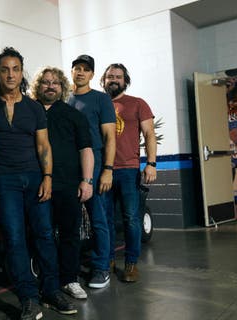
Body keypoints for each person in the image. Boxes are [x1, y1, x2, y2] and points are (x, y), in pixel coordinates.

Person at [0, 47, 71, 318]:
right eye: (5, 69)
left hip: (34, 177)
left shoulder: (33, 107)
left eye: (15, 69)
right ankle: (28, 297)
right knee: (14, 238)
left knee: (44, 234)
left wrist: (47, 177)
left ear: (22, 73)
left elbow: (44, 146)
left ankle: (51, 290)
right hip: (3, 179)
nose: (10, 74)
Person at [32, 66, 94, 301]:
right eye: (46, 82)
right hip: (36, 184)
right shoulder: (29, 111)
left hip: (68, 185)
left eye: (55, 83)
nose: (50, 86)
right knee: (41, 234)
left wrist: (86, 181)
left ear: (62, 87)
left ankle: (69, 280)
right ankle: (46, 280)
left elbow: (86, 149)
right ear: (39, 85)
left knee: (69, 234)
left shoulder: (73, 114)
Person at [101, 63, 156, 282]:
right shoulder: (99, 102)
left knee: (132, 219)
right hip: (101, 171)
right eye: (109, 76)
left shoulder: (137, 103)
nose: (113, 80)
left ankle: (131, 263)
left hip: (128, 170)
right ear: (103, 80)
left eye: (118, 76)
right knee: (104, 220)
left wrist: (151, 163)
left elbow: (150, 134)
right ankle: (108, 260)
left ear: (125, 80)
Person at [67, 55, 116, 289]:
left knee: (98, 218)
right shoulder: (65, 99)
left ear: (92, 75)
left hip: (95, 164)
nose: (80, 72)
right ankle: (70, 268)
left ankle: (101, 268)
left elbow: (109, 137)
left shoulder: (101, 99)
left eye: (85, 69)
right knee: (70, 220)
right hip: (69, 166)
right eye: (77, 68)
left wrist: (107, 169)